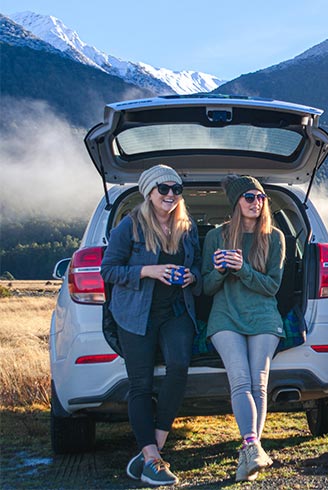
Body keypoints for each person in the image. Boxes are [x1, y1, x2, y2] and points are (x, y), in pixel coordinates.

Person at [100, 164, 201, 486]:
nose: (171, 195)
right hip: (134, 314)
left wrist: (192, 276)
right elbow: (108, 270)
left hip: (175, 310)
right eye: (164, 189)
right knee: (140, 385)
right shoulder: (128, 227)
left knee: (179, 367)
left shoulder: (187, 226)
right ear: (149, 192)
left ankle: (151, 452)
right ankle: (153, 458)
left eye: (176, 189)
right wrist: (146, 272)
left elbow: (197, 263)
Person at [202, 175, 285, 482]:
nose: (256, 203)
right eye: (249, 197)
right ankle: (253, 447)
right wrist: (222, 270)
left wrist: (243, 269)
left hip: (263, 316)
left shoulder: (274, 237)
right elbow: (205, 287)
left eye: (260, 197)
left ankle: (249, 451)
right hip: (225, 316)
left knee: (258, 382)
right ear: (236, 202)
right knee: (240, 379)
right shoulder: (216, 236)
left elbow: (273, 287)